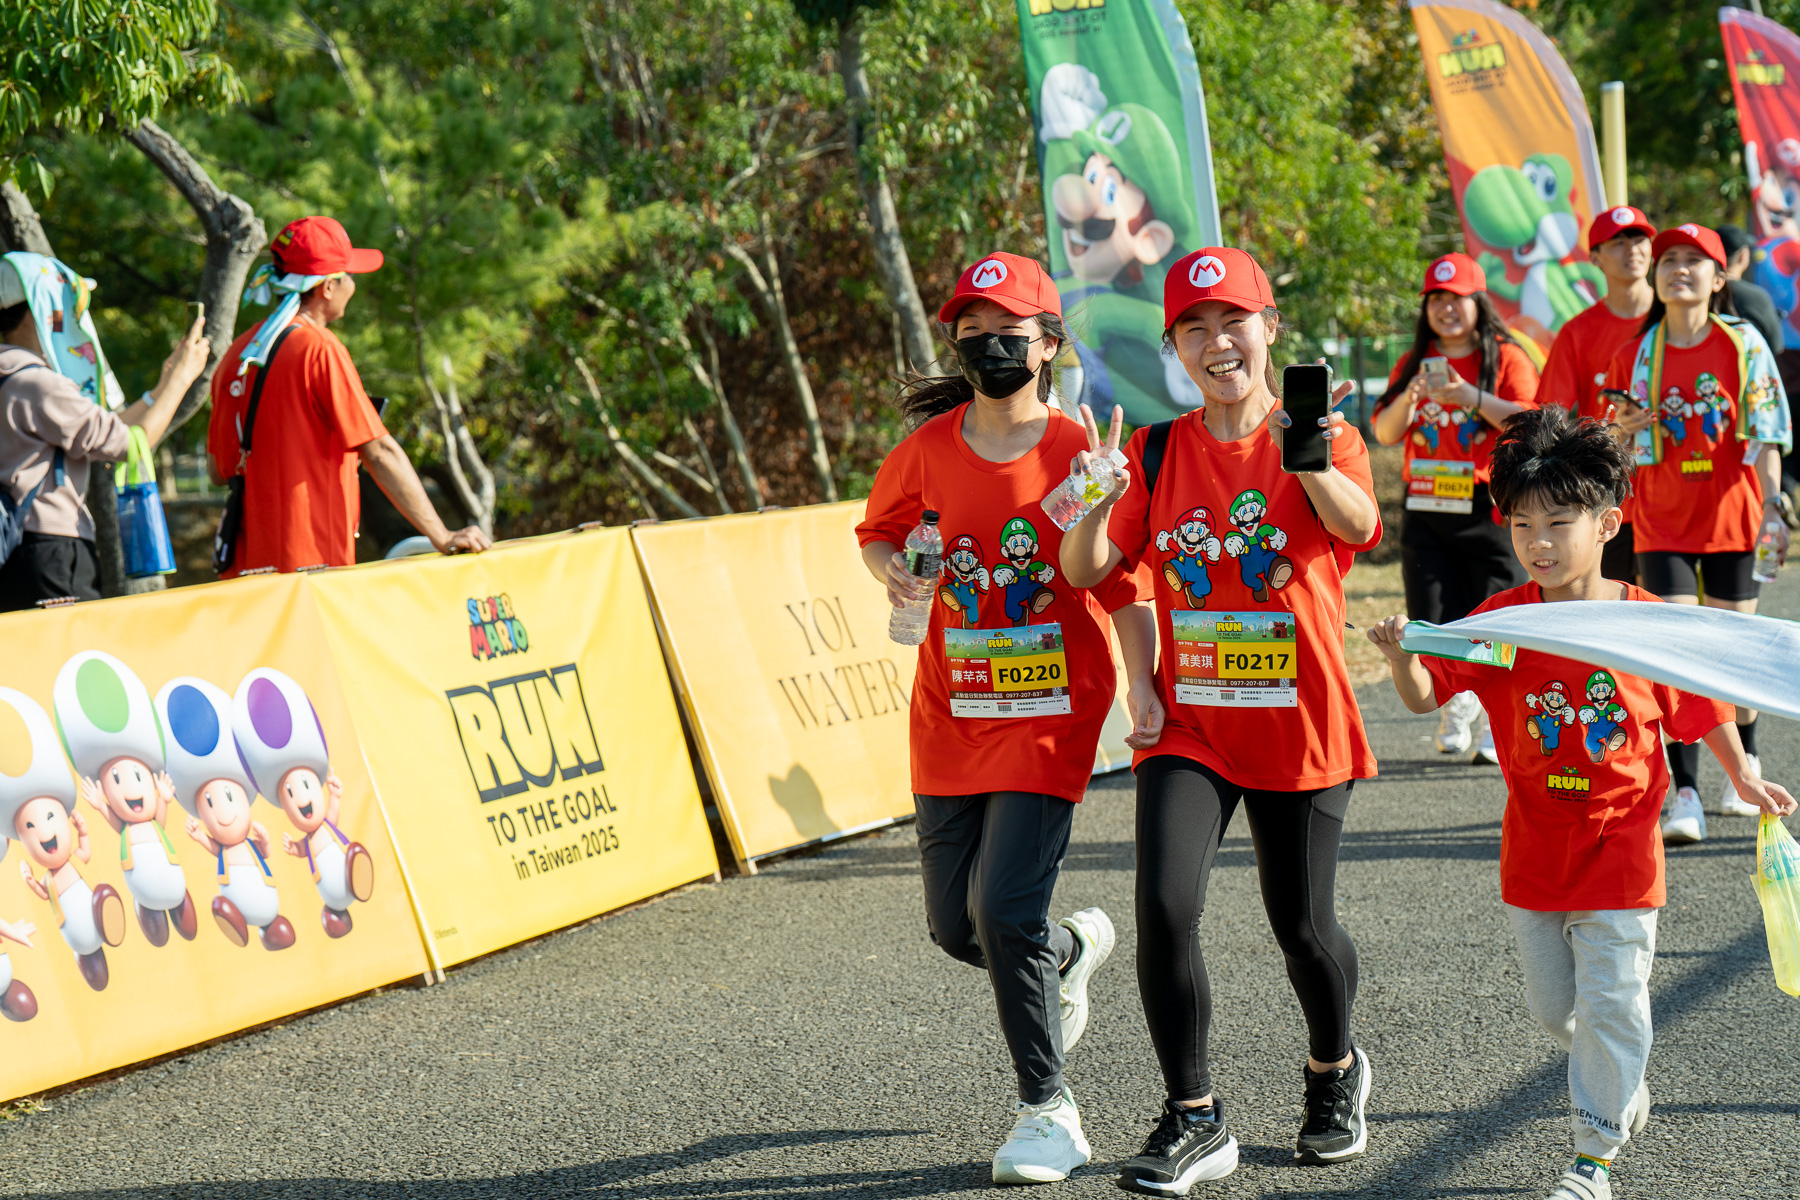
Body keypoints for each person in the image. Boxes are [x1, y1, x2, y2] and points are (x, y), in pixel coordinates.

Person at [1367, 405, 1795, 1200]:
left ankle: (1593, 1156)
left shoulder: (1643, 623)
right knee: (1557, 1011)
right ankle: (1617, 1075)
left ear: (1607, 524)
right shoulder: (1503, 622)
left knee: (1613, 1003)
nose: (1539, 541)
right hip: (1534, 852)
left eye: (1558, 523)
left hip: (1624, 850)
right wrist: (1401, 656)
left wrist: (1740, 776)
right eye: (1522, 525)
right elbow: (1428, 694)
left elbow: (1700, 706)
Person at [1061, 246, 1383, 1193]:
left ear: (1269, 328)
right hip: (1193, 723)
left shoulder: (1321, 434)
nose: (1217, 343)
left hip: (1300, 720)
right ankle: (1194, 1116)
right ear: (1175, 348)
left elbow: (1359, 527)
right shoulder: (1157, 452)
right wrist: (1096, 498)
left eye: (1233, 321)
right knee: (1164, 909)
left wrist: (1306, 452)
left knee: (1304, 930)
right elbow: (1089, 571)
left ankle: (1334, 1068)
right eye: (1193, 329)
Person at [856, 251, 1152, 1186]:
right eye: (973, 333)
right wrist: (895, 574)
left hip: (1050, 708)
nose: (989, 347)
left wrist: (1143, 687)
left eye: (1009, 333)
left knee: (1002, 908)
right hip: (950, 707)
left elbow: (1120, 585)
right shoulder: (928, 449)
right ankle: (1068, 952)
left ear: (1048, 343)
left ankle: (1048, 1111)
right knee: (958, 928)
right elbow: (878, 533)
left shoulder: (1078, 451)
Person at [1604, 223, 1793, 843]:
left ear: (1719, 278)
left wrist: (1773, 507)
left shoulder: (1744, 345)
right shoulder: (1639, 353)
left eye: (1694, 260)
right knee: (1679, 655)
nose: (1679, 269)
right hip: (1661, 522)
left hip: (1734, 518)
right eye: (1669, 260)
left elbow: (1766, 435)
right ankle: (1684, 793)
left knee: (1735, 656)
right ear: (1655, 278)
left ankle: (1747, 762)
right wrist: (1624, 428)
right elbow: (1613, 443)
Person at [208, 216, 490, 576]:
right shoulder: (318, 348)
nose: (353, 285)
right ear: (328, 287)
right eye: (349, 275)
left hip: (243, 570)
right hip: (309, 564)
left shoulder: (238, 353)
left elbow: (218, 471)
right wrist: (442, 535)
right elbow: (380, 452)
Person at [1372, 253, 1541, 761]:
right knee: (1433, 616)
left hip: (1487, 505)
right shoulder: (1412, 362)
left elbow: (1530, 420)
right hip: (1425, 506)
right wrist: (1411, 397)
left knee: (1495, 614)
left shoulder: (1506, 356)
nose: (1446, 309)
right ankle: (1457, 701)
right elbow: (1384, 431)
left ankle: (1493, 715)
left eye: (1458, 298)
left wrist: (1470, 395)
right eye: (1437, 299)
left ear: (1479, 303)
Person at [1, 272, 209, 610]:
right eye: (66, 306)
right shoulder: (40, 385)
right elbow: (130, 444)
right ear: (42, 309)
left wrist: (162, 387)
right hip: (51, 552)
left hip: (12, 547)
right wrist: (183, 379)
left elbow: (102, 429)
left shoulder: (11, 377)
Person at [1538, 206, 1658, 584]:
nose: (1631, 249)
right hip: (1610, 499)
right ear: (1595, 258)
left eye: (1638, 239)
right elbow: (1550, 421)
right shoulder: (1578, 332)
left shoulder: (1680, 322)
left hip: (1680, 497)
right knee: (1614, 610)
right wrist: (1611, 433)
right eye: (1617, 242)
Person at [1718, 223, 1785, 359]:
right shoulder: (1756, 297)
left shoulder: (1699, 294)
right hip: (1746, 369)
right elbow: (1776, 347)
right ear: (1743, 255)